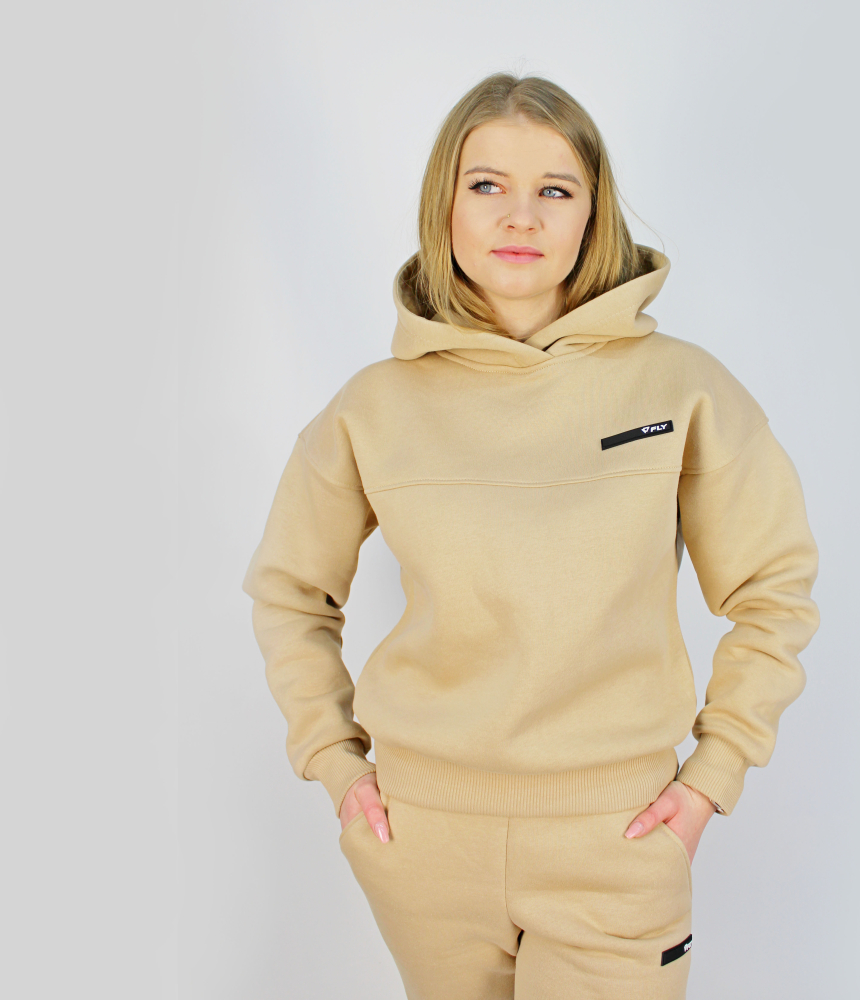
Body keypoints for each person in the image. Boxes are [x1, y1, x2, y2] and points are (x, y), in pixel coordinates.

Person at [243, 72, 820, 1000]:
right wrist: (336, 766)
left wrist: (711, 779)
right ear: (444, 204)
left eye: (555, 189)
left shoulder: (684, 388)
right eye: (487, 185)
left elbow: (774, 590)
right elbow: (288, 592)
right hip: (422, 848)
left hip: (618, 838)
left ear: (594, 213)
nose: (521, 216)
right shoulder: (371, 407)